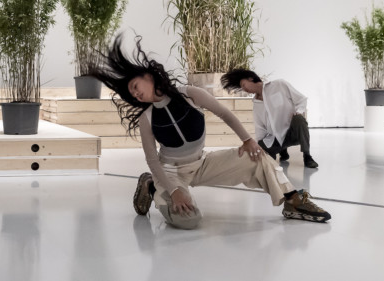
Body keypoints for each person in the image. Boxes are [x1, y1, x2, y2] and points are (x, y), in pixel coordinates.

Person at [90, 34, 331, 229]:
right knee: (189, 220)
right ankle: (152, 186)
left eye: (135, 86)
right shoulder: (147, 117)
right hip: (171, 172)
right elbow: (152, 159)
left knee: (257, 156)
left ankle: (292, 200)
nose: (136, 94)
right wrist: (173, 191)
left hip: (202, 164)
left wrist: (247, 140)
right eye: (132, 94)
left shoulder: (190, 94)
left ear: (148, 75)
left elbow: (225, 113)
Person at [221, 69, 319, 168]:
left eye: (243, 85)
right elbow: (260, 128)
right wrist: (260, 145)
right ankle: (281, 150)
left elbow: (301, 99)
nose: (244, 89)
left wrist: (299, 111)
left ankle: (307, 156)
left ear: (250, 78)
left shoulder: (279, 84)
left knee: (299, 119)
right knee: (262, 150)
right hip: (275, 138)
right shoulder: (256, 105)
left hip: (292, 133)